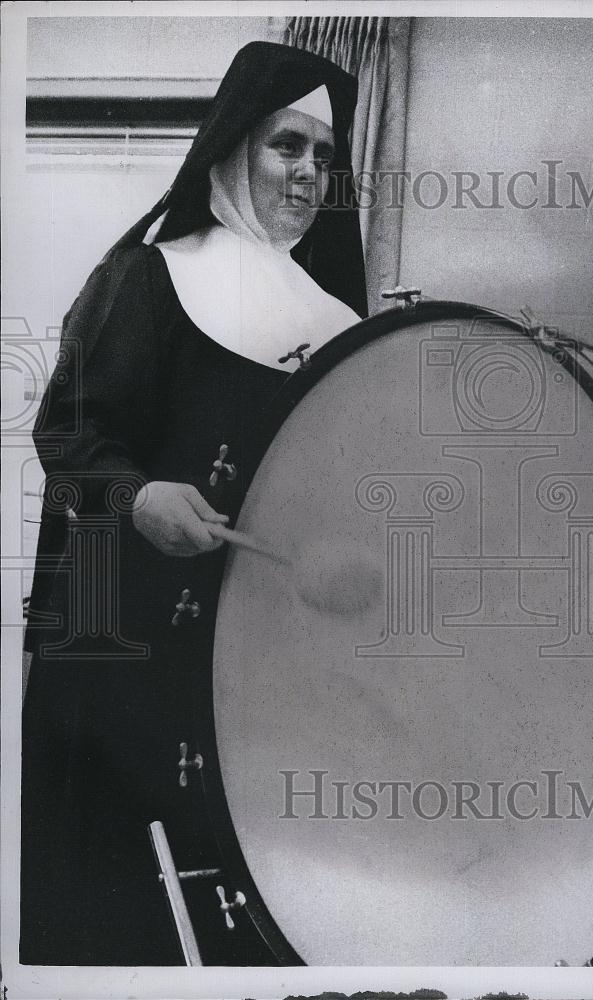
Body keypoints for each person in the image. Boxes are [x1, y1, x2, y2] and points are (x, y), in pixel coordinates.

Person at [20, 40, 367, 966]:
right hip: (127, 635)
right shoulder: (150, 277)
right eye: (284, 148)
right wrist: (136, 499)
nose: (304, 174)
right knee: (122, 890)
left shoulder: (338, 325)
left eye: (323, 157)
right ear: (231, 151)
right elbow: (70, 435)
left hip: (266, 656)